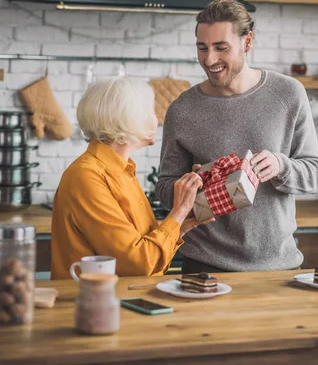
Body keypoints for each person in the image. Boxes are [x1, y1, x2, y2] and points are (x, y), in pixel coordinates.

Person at [156, 0, 318, 273]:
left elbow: (316, 174)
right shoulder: (182, 110)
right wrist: (195, 184)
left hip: (278, 266)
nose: (209, 59)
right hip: (204, 266)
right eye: (202, 48)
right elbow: (165, 187)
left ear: (247, 42)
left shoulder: (288, 94)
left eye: (221, 48)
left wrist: (281, 166)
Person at [51, 77, 208, 279]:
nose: (156, 119)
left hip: (125, 300)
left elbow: (147, 257)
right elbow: (139, 264)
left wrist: (180, 226)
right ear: (128, 119)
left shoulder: (122, 171)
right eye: (150, 111)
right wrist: (178, 212)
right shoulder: (86, 177)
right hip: (92, 304)